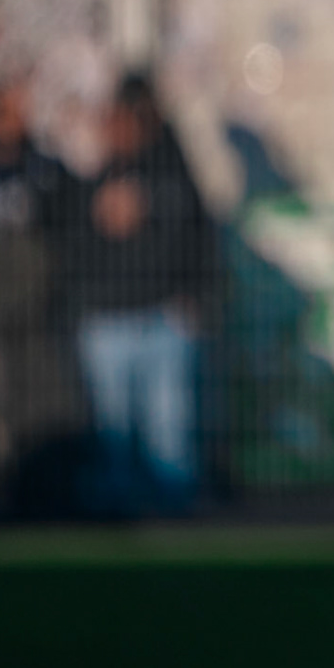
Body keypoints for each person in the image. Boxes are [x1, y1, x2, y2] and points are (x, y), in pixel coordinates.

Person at [64, 73, 213, 515]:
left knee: (169, 434)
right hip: (106, 321)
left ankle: (174, 522)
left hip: (162, 317)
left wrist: (197, 298)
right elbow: (63, 242)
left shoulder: (171, 167)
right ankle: (121, 523)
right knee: (115, 436)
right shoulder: (83, 172)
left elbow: (198, 233)